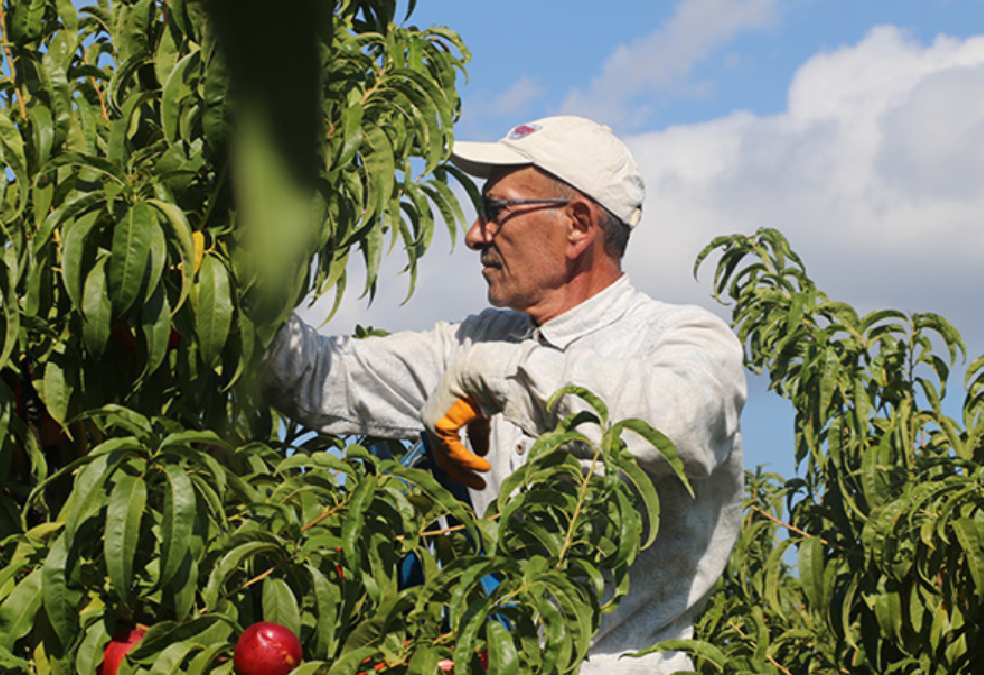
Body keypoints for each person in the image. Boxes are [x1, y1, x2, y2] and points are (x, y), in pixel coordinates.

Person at [265, 116, 746, 673]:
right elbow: (319, 376)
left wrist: (489, 376)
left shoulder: (686, 340)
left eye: (497, 211)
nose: (475, 234)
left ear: (578, 225)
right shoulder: (480, 340)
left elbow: (675, 426)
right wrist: (229, 278)